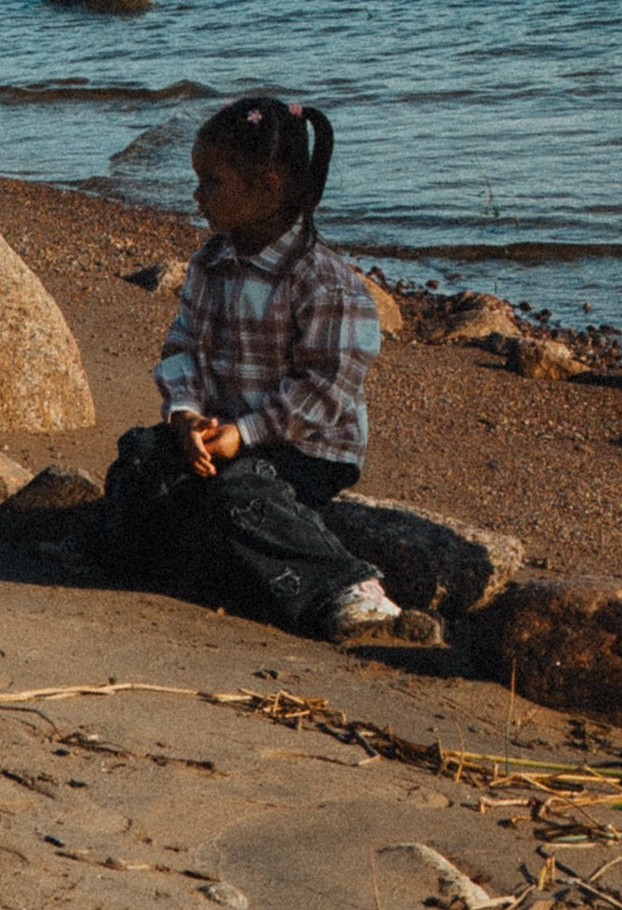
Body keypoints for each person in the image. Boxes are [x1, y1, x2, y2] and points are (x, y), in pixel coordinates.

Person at [93, 94, 441, 647]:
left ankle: (350, 590)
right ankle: (152, 558)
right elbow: (183, 346)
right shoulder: (211, 262)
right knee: (142, 456)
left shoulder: (322, 281)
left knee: (237, 494)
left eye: (212, 182)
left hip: (305, 447)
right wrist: (186, 416)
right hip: (222, 434)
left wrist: (245, 433)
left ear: (269, 187)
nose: (197, 195)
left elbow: (326, 389)